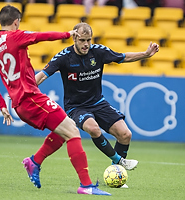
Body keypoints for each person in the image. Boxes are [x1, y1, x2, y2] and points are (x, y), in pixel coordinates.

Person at [0, 5, 111, 196]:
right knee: (72, 131)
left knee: (64, 128)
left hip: (22, 102)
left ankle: (34, 162)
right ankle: (85, 185)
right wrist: (67, 34)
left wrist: (2, 105)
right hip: (30, 98)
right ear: (16, 21)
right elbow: (39, 36)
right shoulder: (15, 36)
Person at [35, 22, 159, 187]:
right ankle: (119, 160)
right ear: (74, 38)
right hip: (76, 106)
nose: (86, 44)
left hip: (98, 102)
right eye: (82, 40)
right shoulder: (64, 57)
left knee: (125, 134)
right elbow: (42, 76)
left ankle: (116, 174)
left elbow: (123, 57)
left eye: (88, 40)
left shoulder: (98, 52)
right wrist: (24, 91)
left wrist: (145, 54)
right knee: (93, 128)